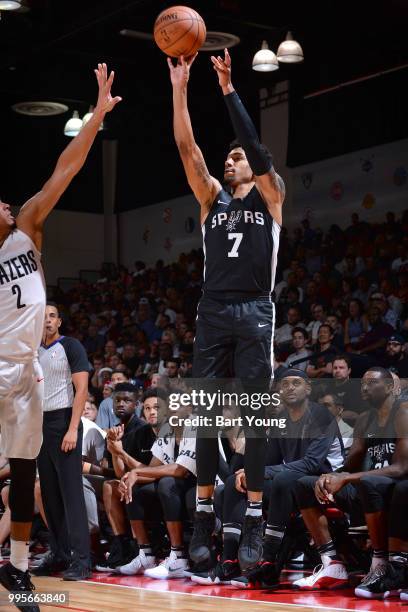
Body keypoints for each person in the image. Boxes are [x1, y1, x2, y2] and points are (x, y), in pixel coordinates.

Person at [0, 63, 120, 608]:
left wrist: (95, 115)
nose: (7, 205)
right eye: (0, 203)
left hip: (23, 371)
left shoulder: (26, 229)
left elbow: (64, 169)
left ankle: (18, 569)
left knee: (27, 476)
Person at [168, 47, 285, 572]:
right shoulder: (211, 200)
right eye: (229, 157)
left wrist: (228, 90)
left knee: (256, 416)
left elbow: (259, 153)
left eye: (235, 157)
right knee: (207, 415)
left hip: (256, 309)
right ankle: (203, 515)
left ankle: (256, 518)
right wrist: (179, 87)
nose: (228, 161)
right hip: (214, 309)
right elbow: (187, 147)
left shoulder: (270, 195)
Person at [293, 367, 408, 595]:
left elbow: (401, 468)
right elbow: (352, 462)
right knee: (305, 484)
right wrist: (333, 476)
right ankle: (331, 563)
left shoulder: (402, 413)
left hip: (394, 491)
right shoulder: (365, 419)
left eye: (371, 383)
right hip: (366, 490)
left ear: (388, 387)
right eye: (362, 383)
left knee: (368, 483)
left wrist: (347, 477)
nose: (364, 388)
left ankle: (380, 564)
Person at [34, 303, 91, 579]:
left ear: (59, 321)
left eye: (52, 315)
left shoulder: (71, 346)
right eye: (43, 316)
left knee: (72, 495)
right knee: (49, 495)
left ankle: (82, 562)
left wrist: (72, 429)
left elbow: (82, 390)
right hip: (39, 424)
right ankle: (59, 554)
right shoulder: (32, 350)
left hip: (64, 422)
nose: (47, 320)